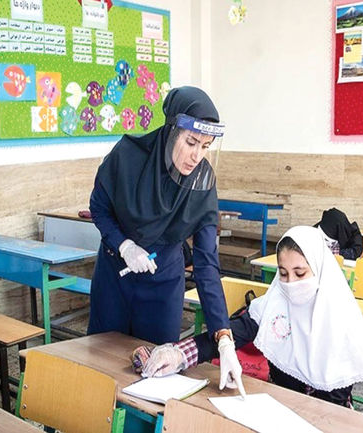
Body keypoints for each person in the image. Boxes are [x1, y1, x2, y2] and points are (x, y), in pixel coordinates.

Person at [88, 86, 245, 395]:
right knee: (103, 363)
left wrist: (224, 339)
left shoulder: (202, 184)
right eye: (190, 142)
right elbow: (99, 207)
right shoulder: (128, 157)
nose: (196, 156)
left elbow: (206, 264)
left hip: (163, 284)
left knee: (156, 374)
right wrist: (124, 245)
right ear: (172, 130)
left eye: (205, 146)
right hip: (115, 275)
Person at [135, 226, 363, 407]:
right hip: (275, 408)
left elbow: (333, 405)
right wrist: (178, 354)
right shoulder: (275, 305)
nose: (291, 283)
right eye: (283, 274)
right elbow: (231, 334)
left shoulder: (340, 321)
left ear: (320, 271)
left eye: (300, 273)